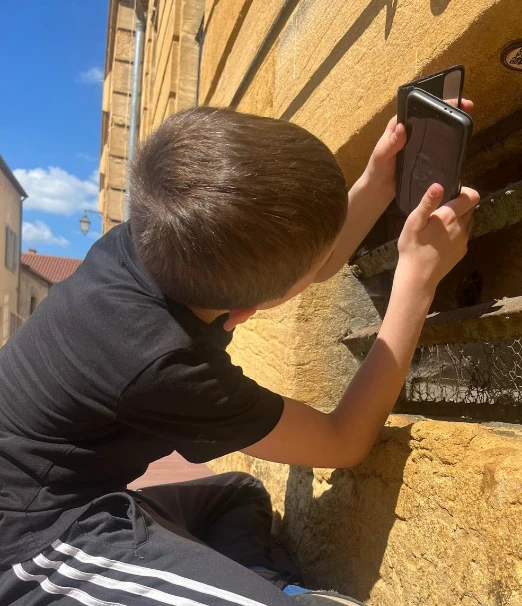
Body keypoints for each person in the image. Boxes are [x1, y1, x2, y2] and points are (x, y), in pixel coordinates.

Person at [0, 104, 478, 605]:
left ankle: (259, 591)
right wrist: (416, 282)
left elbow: (308, 263)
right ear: (246, 312)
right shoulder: (166, 361)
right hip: (31, 540)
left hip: (85, 494)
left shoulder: (150, 236)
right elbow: (342, 441)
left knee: (239, 495)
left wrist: (379, 181)